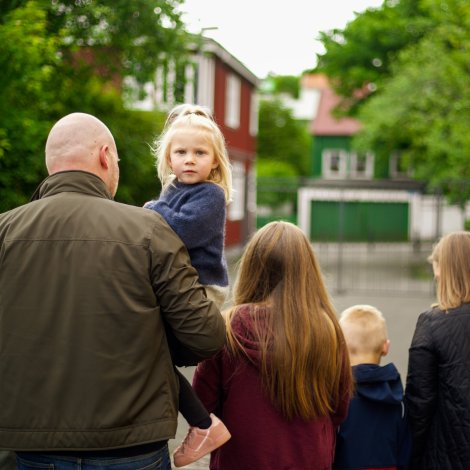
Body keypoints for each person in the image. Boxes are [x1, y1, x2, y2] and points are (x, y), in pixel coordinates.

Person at [0, 112, 226, 470]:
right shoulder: (148, 231)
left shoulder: (4, 231)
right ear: (106, 157)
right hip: (131, 445)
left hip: (32, 447)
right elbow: (206, 337)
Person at [192, 220, 353, 470]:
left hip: (241, 460)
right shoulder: (328, 330)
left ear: (252, 268)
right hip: (308, 458)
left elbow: (202, 404)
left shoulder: (226, 327)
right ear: (306, 271)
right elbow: (339, 408)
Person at [144, 104, 232, 467]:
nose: (190, 159)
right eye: (180, 152)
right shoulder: (171, 190)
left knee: (152, 351)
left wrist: (150, 208)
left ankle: (203, 423)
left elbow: (177, 230)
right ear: (168, 157)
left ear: (214, 161)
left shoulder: (210, 196)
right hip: (180, 284)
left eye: (200, 152)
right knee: (152, 354)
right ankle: (203, 424)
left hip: (203, 287)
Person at [405, 231, 470, 469]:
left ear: (445, 270)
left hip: (446, 453)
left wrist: (410, 457)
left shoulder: (432, 323)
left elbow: (418, 405)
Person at [334, 304, 411, 470]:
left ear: (340, 349)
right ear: (386, 347)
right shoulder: (399, 400)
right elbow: (405, 452)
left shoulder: (337, 397)